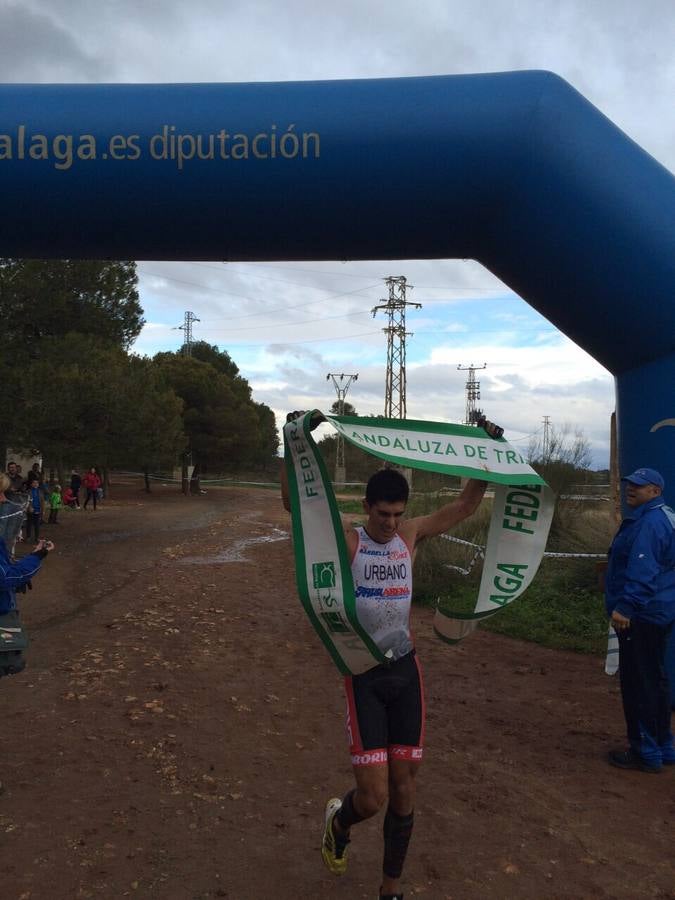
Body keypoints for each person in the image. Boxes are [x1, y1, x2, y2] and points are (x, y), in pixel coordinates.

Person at [281, 411, 502, 900]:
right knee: (374, 797)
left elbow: (466, 504)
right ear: (367, 507)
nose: (391, 523)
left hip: (406, 671)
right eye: (383, 514)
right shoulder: (350, 540)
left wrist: (485, 448)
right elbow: (298, 509)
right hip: (362, 674)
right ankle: (341, 822)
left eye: (398, 514)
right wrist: (295, 442)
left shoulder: (410, 536)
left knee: (405, 787)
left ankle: (391, 890)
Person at [605, 467, 675, 773]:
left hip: (641, 614)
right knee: (655, 679)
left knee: (638, 683)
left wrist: (626, 607)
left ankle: (645, 751)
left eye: (639, 486)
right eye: (630, 484)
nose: (631, 489)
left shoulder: (650, 523)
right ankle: (663, 745)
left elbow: (643, 570)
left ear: (655, 491)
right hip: (659, 610)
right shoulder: (665, 516)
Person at [24, 477, 43, 542]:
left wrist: (43, 510)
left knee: (37, 525)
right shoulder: (28, 492)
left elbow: (42, 501)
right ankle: (28, 537)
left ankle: (37, 537)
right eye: (34, 483)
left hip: (38, 510)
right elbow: (26, 501)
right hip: (31, 510)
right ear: (31, 484)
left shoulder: (40, 492)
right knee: (29, 524)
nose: (35, 484)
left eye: (37, 483)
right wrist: (29, 507)